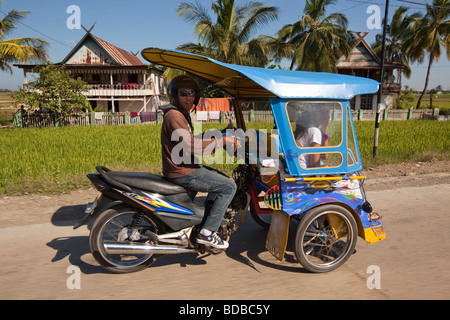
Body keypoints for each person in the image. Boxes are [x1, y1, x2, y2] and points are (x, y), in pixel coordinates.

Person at [161, 75, 237, 250]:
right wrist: (223, 142)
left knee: (219, 178)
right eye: (183, 93)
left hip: (184, 167)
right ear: (174, 95)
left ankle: (206, 221)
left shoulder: (181, 114)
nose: (189, 97)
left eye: (192, 93)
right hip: (183, 171)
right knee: (229, 186)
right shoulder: (174, 115)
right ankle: (208, 233)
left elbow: (189, 141)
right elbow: (191, 147)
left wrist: (217, 135)